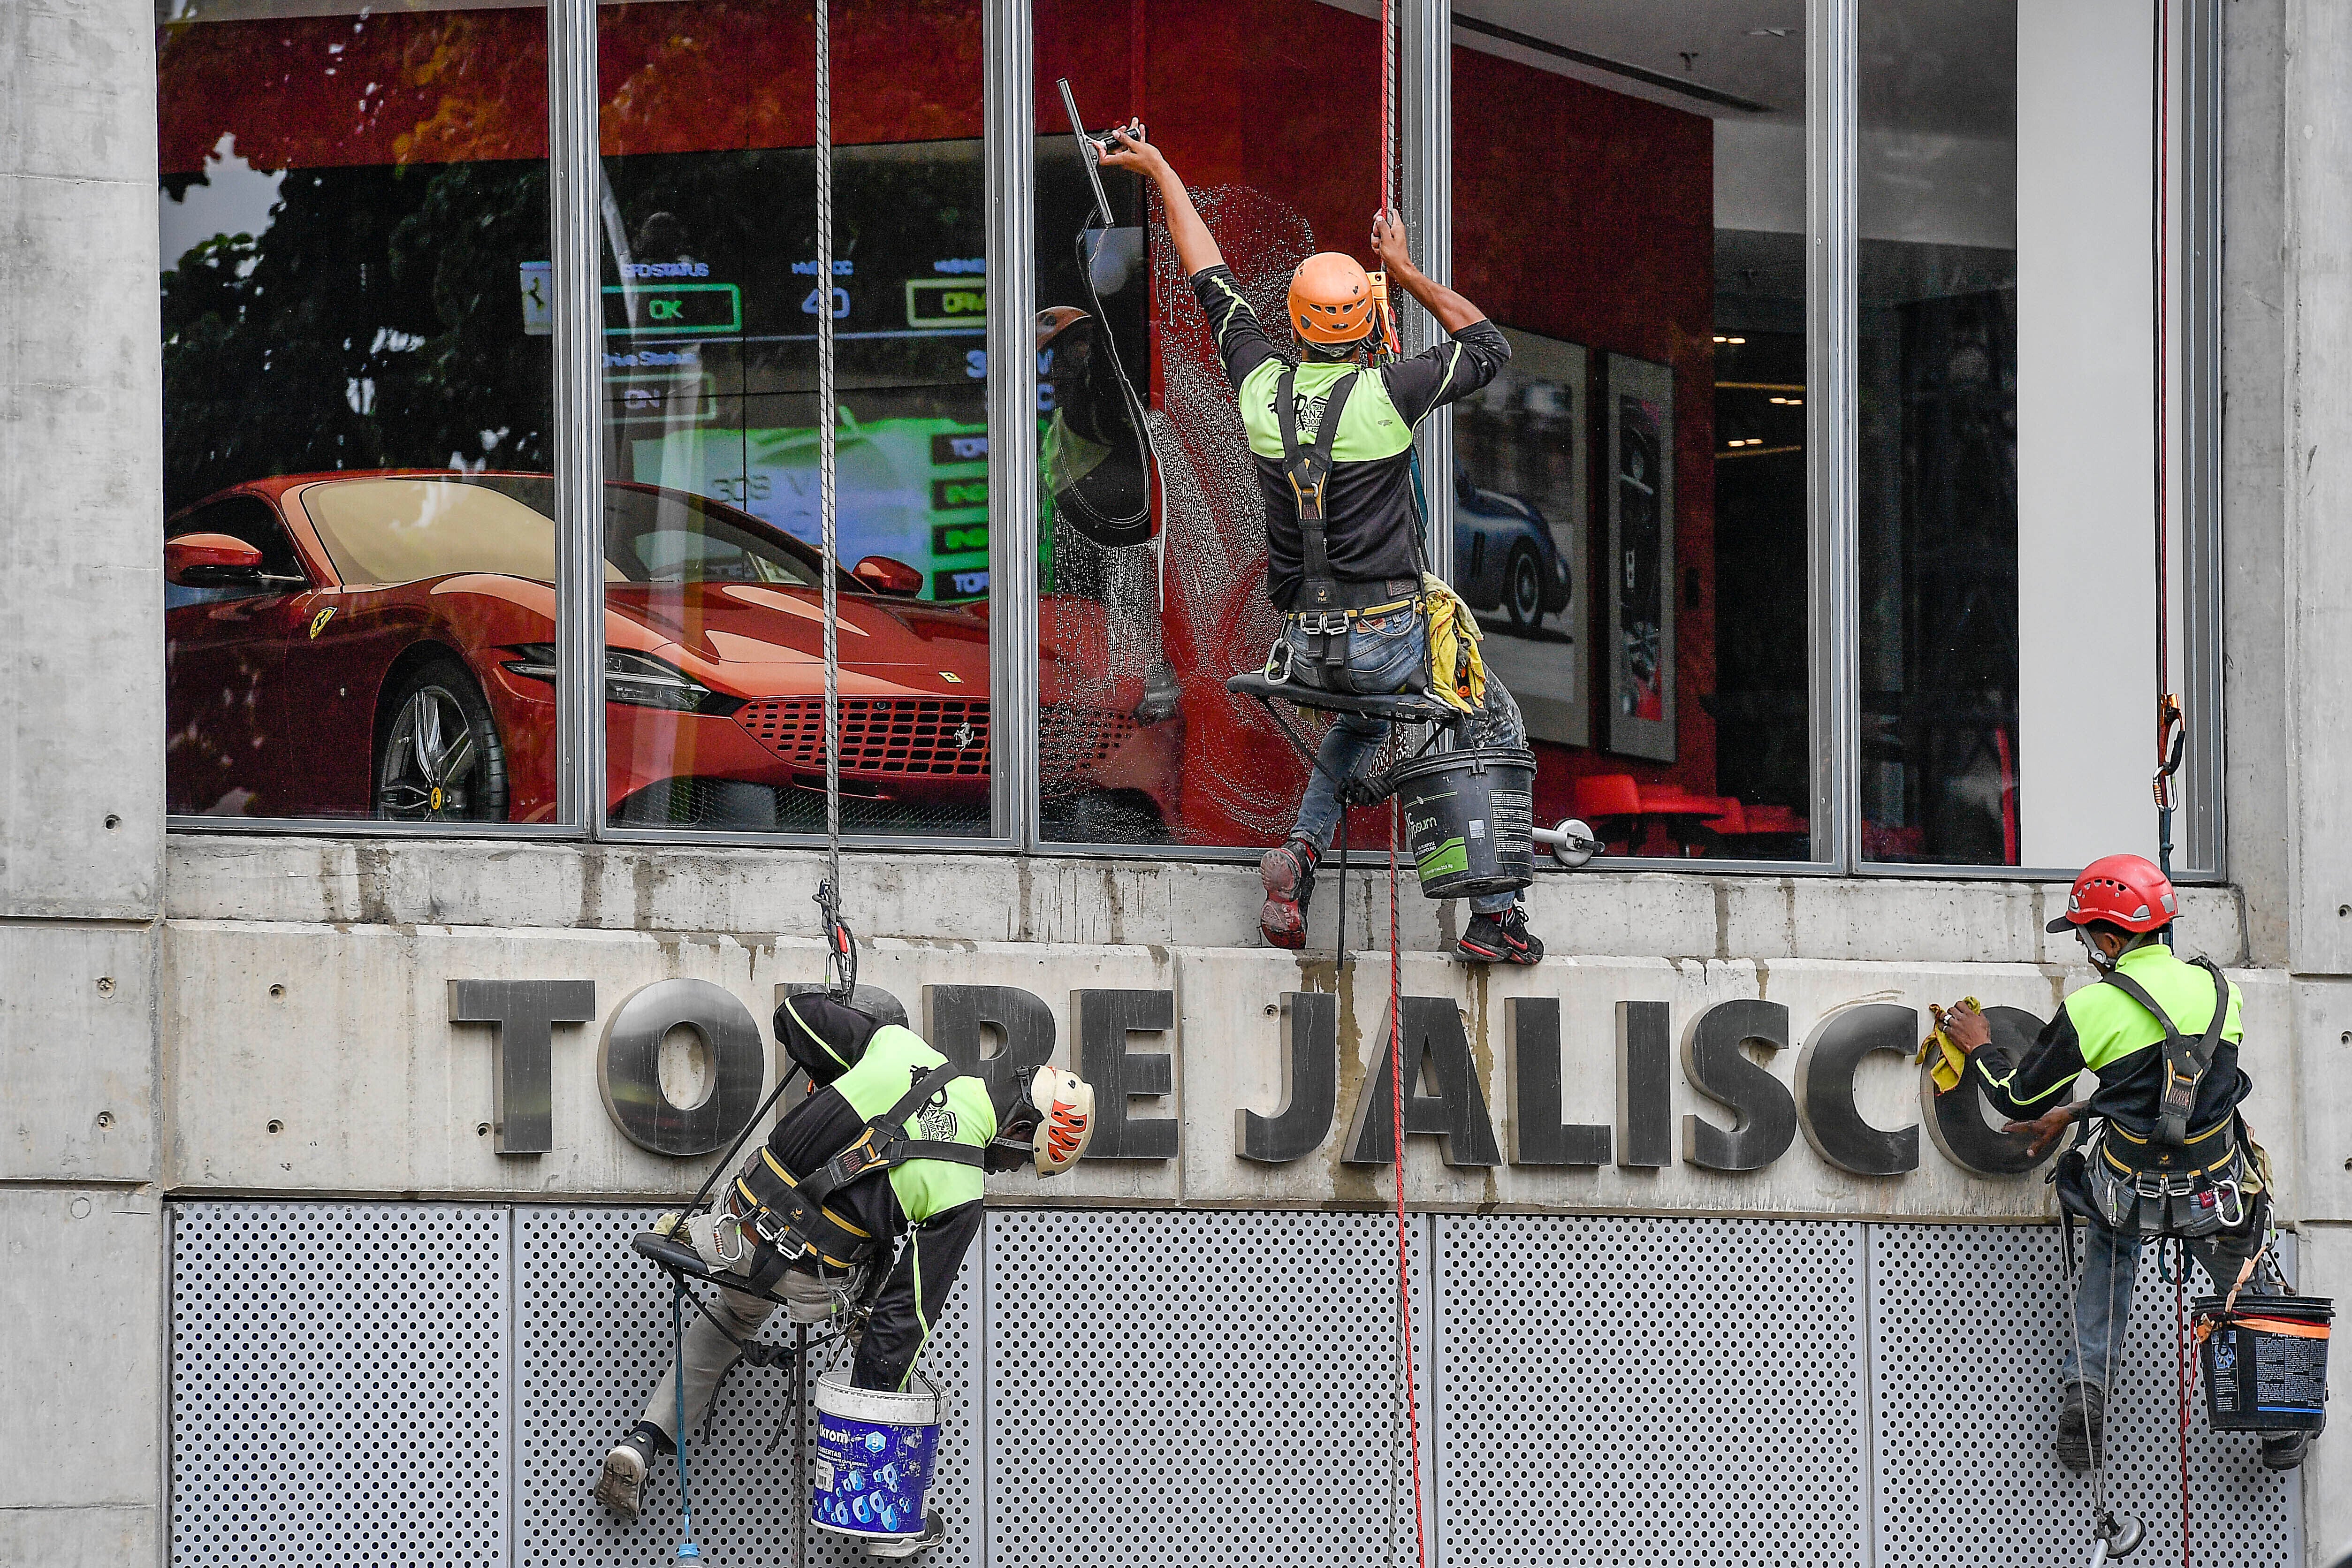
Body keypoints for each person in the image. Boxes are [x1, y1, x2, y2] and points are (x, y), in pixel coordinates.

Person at [1097, 124, 1545, 966]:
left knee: (1359, 724)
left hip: (1304, 648)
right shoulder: (1392, 390)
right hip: (1384, 639)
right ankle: (1495, 914)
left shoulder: (1259, 382)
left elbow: (1209, 272)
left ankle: (1297, 856)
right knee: (1484, 715)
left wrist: (1158, 167)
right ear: (1367, 320)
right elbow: (1487, 345)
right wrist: (1407, 273)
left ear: (1294, 324)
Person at [595, 991, 1096, 1541]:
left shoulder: (900, 1048)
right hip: (809, 1280)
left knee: (735, 1318)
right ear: (1023, 1131)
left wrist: (837, 1074)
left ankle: (641, 1441)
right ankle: (878, 1509)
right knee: (879, 1336)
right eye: (1021, 1160)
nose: (1007, 1170)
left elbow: (793, 1017)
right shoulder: (963, 1190)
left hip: (729, 1233)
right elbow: (905, 1321)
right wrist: (871, 1411)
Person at [1936, 853, 2306, 1473]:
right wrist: (2081, 1111)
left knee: (2109, 1257)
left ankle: (2085, 1397)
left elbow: (2015, 1096)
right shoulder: (2222, 993)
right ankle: (2281, 1423)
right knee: (2244, 1277)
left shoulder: (2091, 1009)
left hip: (2127, 1188)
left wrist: (1981, 1046)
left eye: (2086, 940)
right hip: (2211, 1190)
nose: (2086, 953)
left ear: (2110, 938)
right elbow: (2175, 1090)